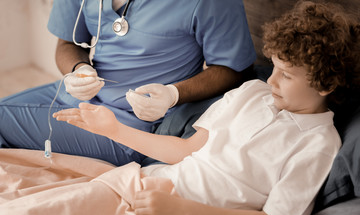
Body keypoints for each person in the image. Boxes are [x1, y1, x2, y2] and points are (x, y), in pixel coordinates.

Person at [51, 1, 360, 215]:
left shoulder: (319, 144)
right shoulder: (251, 92)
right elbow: (186, 151)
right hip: (153, 184)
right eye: (275, 68)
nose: (272, 81)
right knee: (53, 214)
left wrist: (181, 211)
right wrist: (113, 130)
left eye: (287, 75)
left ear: (325, 84)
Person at [0, 0, 256, 166]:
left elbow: (234, 69)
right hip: (74, 96)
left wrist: (173, 94)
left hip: (132, 127)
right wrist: (77, 70)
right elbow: (66, 44)